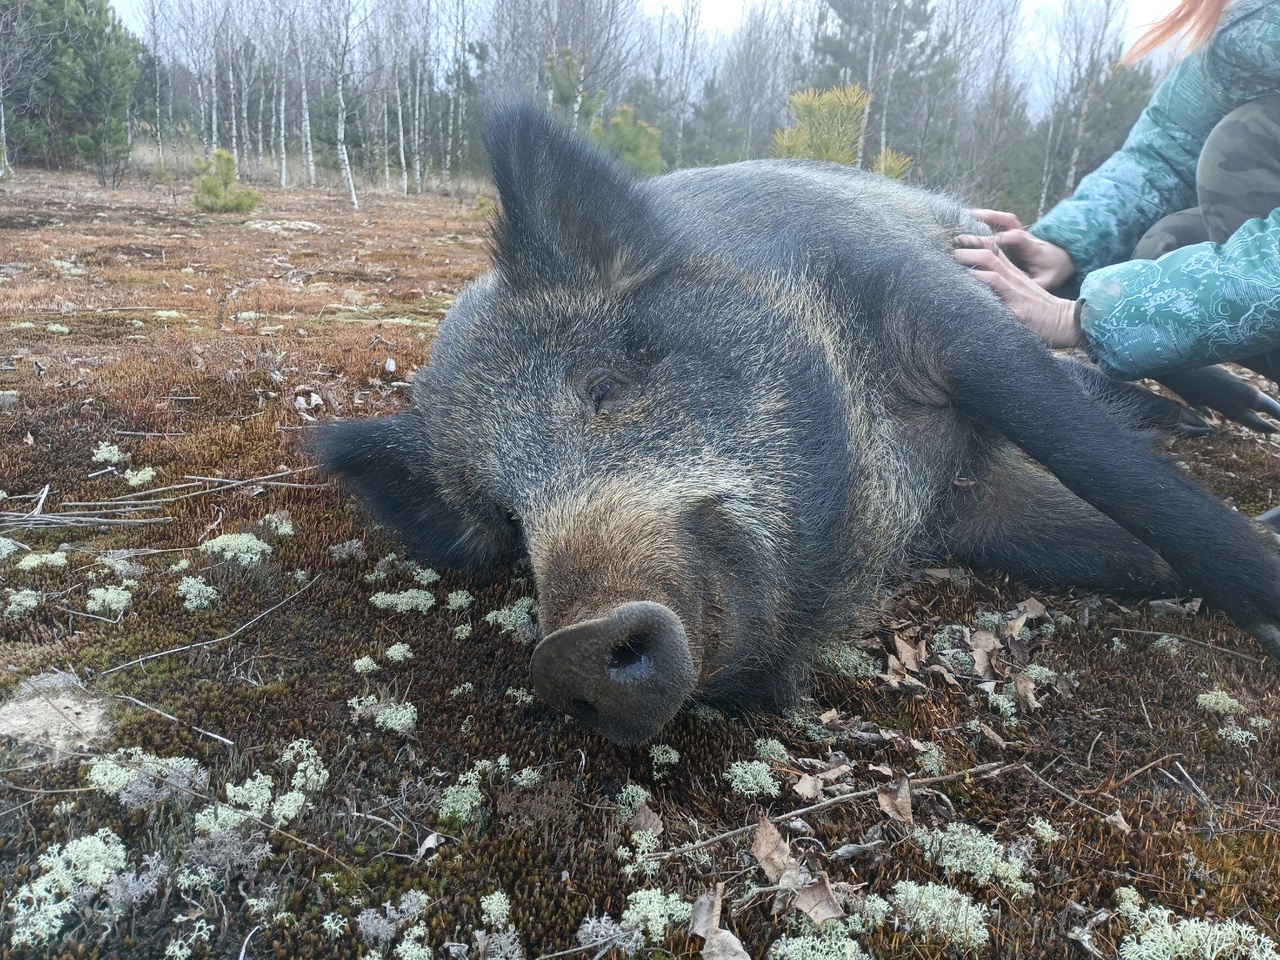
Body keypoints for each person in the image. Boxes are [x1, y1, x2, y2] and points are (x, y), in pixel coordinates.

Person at [953, 0, 1280, 388]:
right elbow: (1169, 148)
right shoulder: (1251, 29)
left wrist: (1087, 318)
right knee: (1171, 243)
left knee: (1244, 145)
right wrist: (1067, 245)